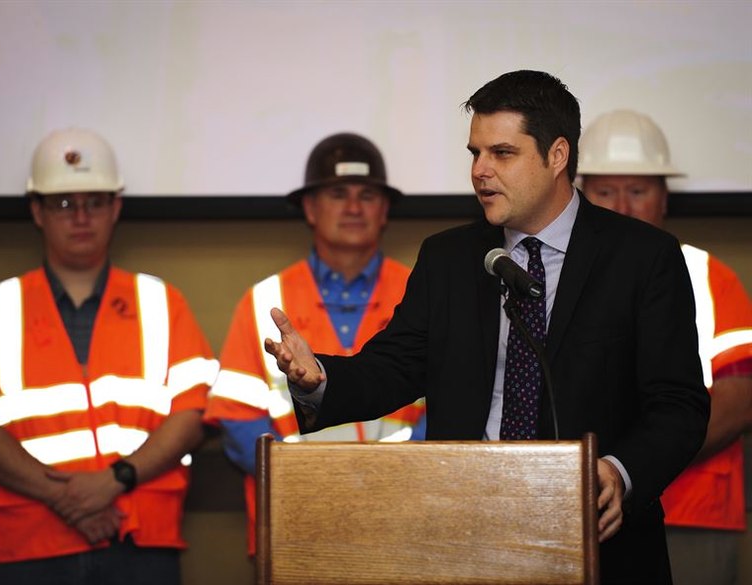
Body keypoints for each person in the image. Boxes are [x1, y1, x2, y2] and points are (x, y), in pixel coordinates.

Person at [263, 70, 710, 584]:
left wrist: (619, 471)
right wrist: (320, 378)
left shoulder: (642, 257)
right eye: (474, 153)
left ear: (557, 155)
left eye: (502, 153)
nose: (480, 171)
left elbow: (678, 407)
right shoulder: (448, 257)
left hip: (601, 540)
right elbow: (395, 366)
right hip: (466, 533)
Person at [0, 128, 219, 585]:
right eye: (62, 203)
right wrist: (65, 497)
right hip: (20, 547)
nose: (80, 217)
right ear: (36, 211)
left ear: (115, 208)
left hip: (137, 540)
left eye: (94, 202)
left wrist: (114, 480)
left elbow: (194, 413)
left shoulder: (161, 302)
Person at [203, 132, 425, 555]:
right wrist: (316, 489)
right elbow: (237, 425)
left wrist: (384, 488)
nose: (354, 208)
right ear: (309, 207)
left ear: (385, 211)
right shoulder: (264, 301)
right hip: (293, 530)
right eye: (338, 194)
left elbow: (448, 412)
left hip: (403, 527)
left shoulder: (423, 294)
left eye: (367, 195)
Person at [579, 109, 752, 585]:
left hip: (692, 517)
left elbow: (739, 403)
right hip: (579, 518)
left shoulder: (709, 275)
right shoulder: (551, 283)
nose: (622, 207)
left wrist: (632, 465)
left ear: (664, 198)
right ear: (579, 196)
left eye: (638, 190)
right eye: (604, 192)